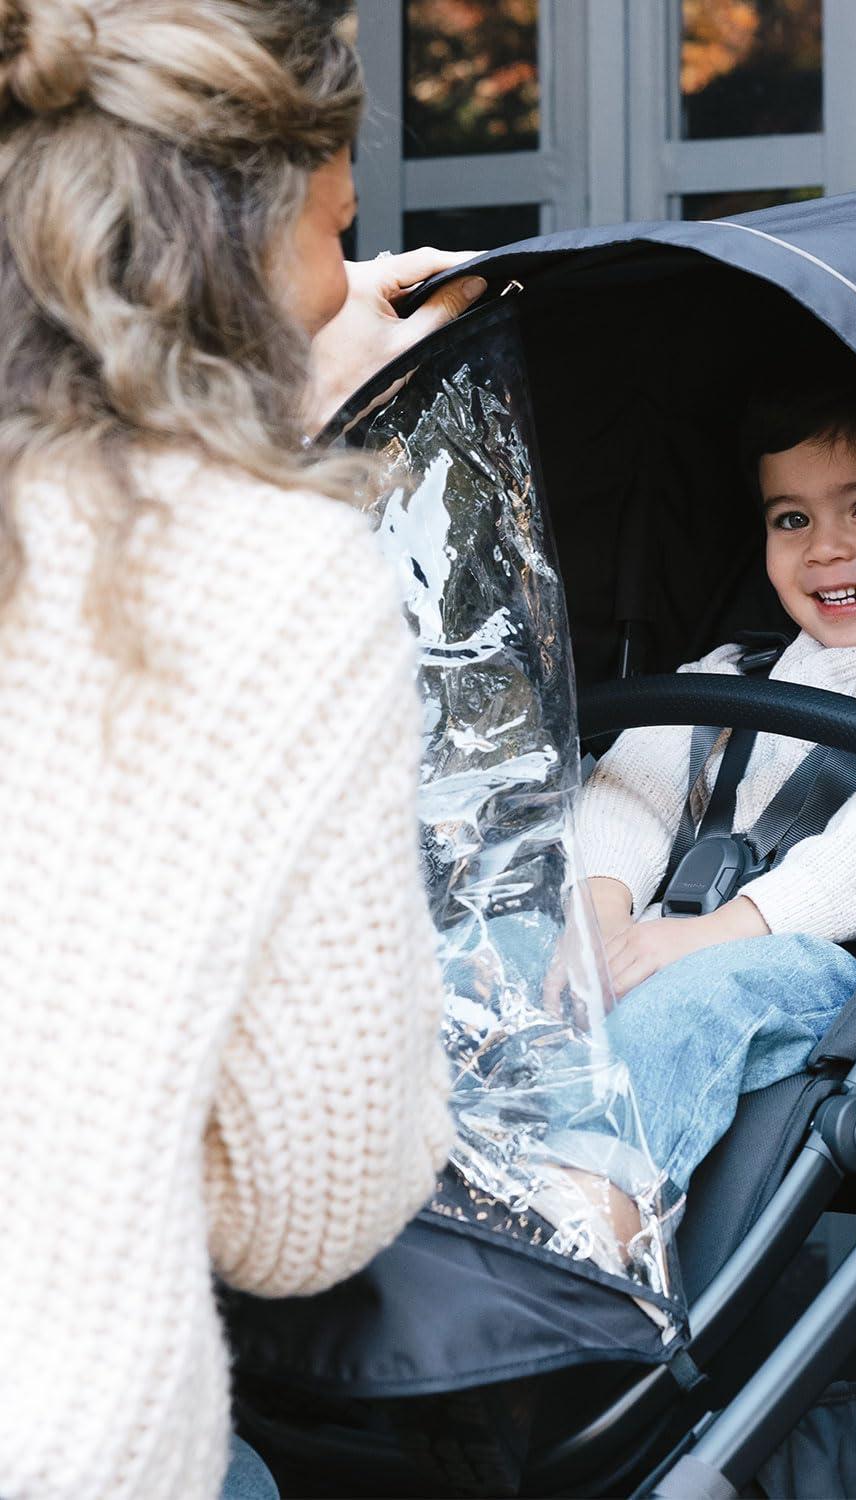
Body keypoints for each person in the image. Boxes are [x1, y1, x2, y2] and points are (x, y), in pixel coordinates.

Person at [0, 3, 490, 1497]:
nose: (344, 276)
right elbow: (307, 1210)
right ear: (253, 218)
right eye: (339, 224)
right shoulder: (266, 582)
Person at [574, 351, 856, 1199]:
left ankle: (586, 1246)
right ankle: (428, 1200)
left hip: (840, 973)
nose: (826, 548)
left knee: (687, 1007)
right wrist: (598, 920)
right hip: (674, 932)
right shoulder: (733, 669)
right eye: (791, 520)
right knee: (482, 957)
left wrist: (711, 933)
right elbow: (631, 791)